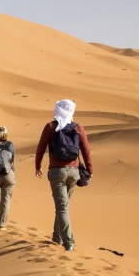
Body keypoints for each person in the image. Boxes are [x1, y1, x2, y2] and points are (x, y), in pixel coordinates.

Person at [35, 99, 93, 252]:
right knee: (64, 206)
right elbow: (86, 152)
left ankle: (69, 242)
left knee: (62, 208)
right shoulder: (78, 128)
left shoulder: (51, 126)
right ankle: (57, 236)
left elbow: (40, 148)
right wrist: (90, 171)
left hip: (57, 172)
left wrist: (38, 166)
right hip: (74, 172)